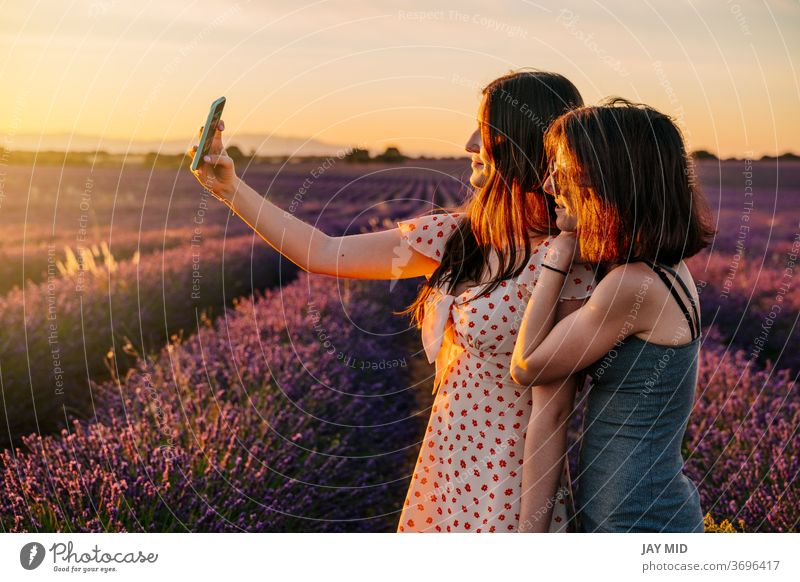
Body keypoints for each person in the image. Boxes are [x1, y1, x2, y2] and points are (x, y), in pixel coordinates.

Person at [188, 70, 595, 532]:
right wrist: (229, 188)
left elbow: (556, 408)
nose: (468, 143)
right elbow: (322, 252)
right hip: (447, 463)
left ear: (518, 141)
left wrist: (531, 529)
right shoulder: (460, 237)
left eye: (482, 130)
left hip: (510, 484)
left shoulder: (568, 258)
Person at [510, 98, 715, 532]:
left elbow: (528, 365)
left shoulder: (632, 285)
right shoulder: (663, 269)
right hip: (639, 510)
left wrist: (560, 253)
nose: (548, 184)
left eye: (563, 171)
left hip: (635, 520)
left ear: (610, 180)